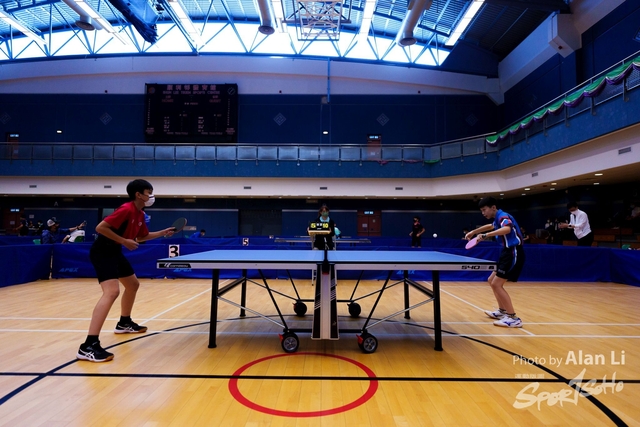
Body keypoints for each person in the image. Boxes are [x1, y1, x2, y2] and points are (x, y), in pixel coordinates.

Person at [77, 179, 176, 363]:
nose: (151, 196)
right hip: (103, 251)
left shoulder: (139, 213)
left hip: (114, 251)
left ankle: (124, 322)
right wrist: (124, 241)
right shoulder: (126, 209)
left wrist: (163, 232)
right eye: (149, 192)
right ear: (138, 195)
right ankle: (88, 346)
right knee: (112, 291)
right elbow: (100, 228)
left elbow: (142, 236)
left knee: (132, 285)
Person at [465, 197, 525, 328]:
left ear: (493, 207)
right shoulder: (498, 218)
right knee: (491, 280)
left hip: (513, 252)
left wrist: (486, 236)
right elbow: (491, 226)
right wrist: (474, 232)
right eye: (481, 211)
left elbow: (507, 229)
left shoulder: (503, 216)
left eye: (484, 210)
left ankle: (513, 317)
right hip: (506, 252)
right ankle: (502, 311)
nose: (483, 213)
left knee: (497, 284)